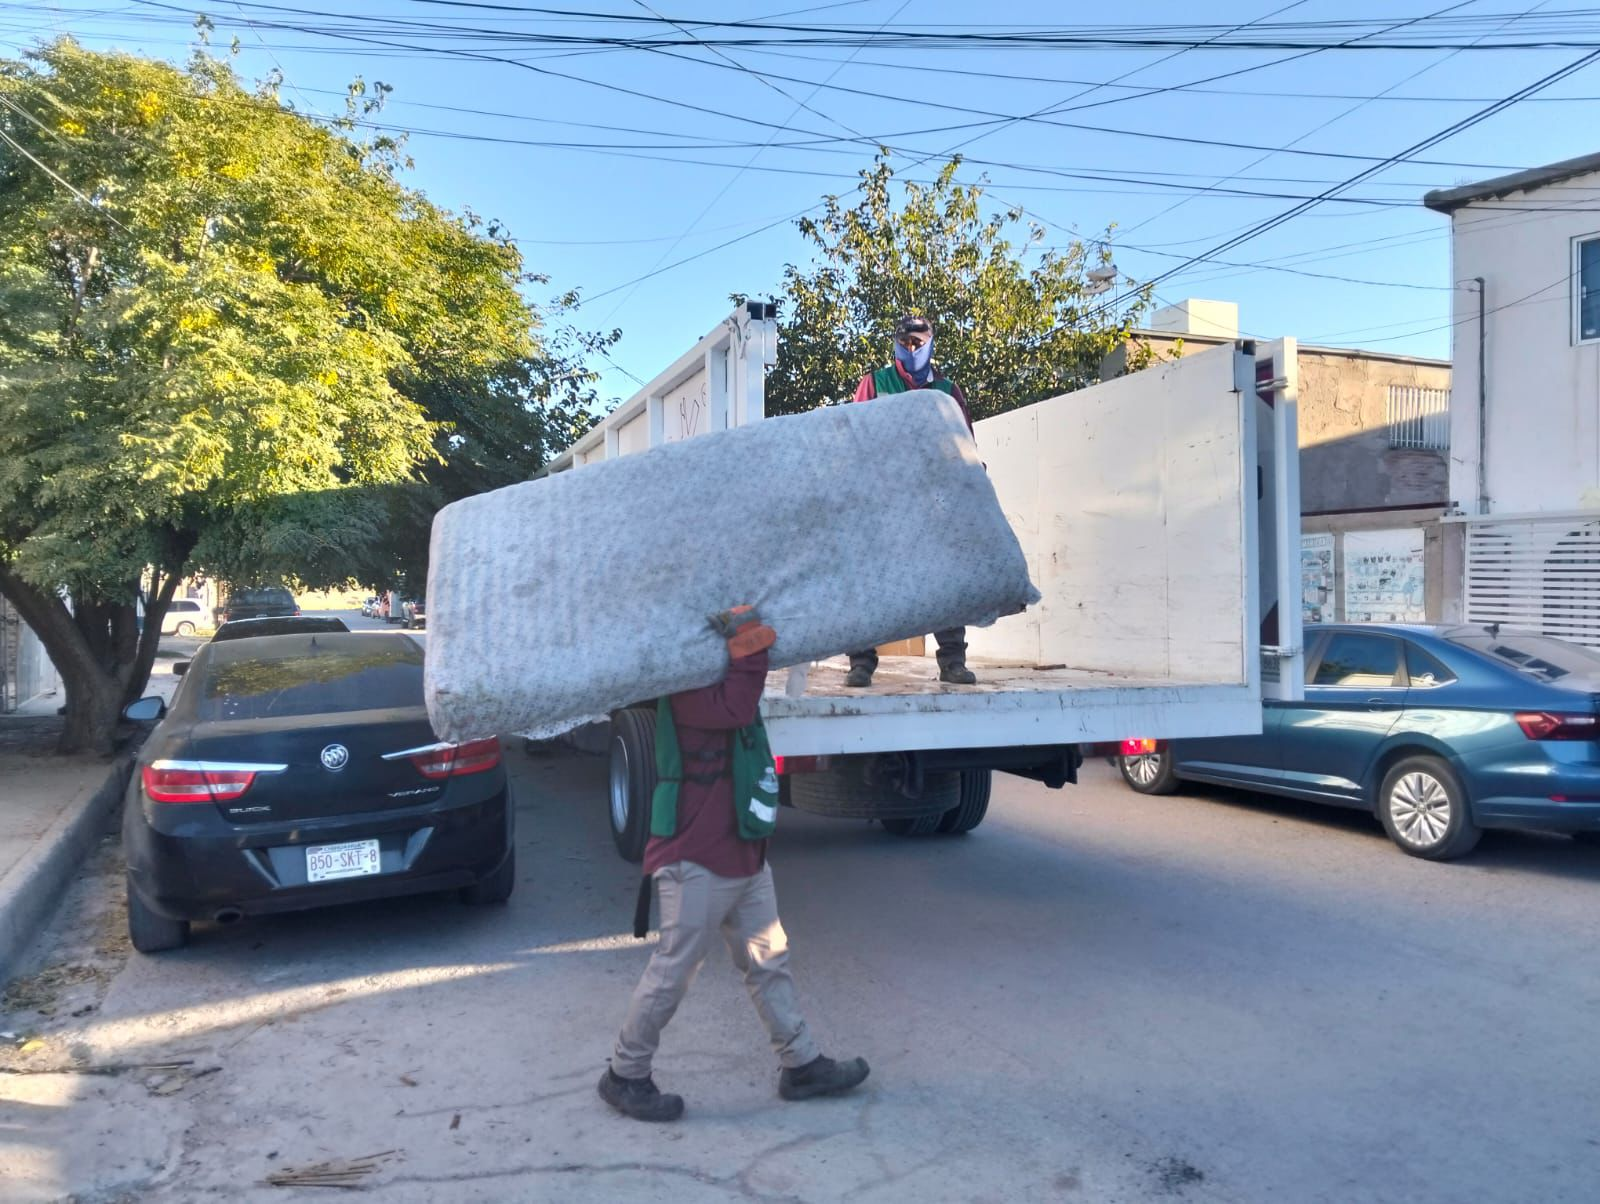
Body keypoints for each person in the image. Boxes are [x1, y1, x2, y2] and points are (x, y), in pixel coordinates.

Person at [600, 606, 869, 1123]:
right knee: (674, 970)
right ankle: (624, 1074)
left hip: (744, 851)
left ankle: (801, 1065)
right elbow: (737, 707)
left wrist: (745, 641)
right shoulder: (684, 685)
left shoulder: (717, 675)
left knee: (769, 960)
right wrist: (751, 642)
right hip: (695, 855)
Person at [846, 313, 978, 688]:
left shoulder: (947, 390)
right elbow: (853, 435)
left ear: (930, 343)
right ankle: (861, 663)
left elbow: (965, 442)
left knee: (944, 580)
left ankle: (952, 662)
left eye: (918, 342)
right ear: (895, 344)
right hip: (883, 497)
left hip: (934, 500)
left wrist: (971, 481)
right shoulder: (875, 383)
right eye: (904, 342)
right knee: (869, 577)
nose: (911, 348)